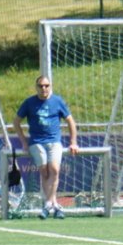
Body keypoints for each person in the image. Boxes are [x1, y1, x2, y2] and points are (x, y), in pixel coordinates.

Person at [13, 75, 79, 219]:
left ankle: (48, 203)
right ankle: (54, 204)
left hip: (54, 141)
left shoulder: (58, 101)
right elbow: (16, 122)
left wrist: (73, 141)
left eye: (46, 85)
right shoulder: (29, 102)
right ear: (36, 87)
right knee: (44, 170)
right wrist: (24, 141)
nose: (44, 88)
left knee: (54, 169)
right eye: (41, 86)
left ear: (50, 86)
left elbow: (70, 121)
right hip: (36, 142)